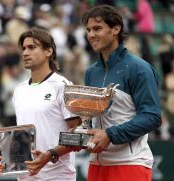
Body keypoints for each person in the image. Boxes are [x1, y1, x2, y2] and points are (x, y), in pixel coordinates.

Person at [24, 5, 162, 181]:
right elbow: (90, 124)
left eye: (97, 28)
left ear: (116, 29)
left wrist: (110, 135)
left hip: (130, 164)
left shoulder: (139, 68)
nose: (91, 35)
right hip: (96, 165)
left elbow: (152, 116)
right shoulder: (91, 72)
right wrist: (51, 153)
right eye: (88, 30)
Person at [0, 27, 81, 181]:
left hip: (58, 177)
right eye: (23, 48)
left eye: (32, 47)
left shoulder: (63, 86)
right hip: (26, 178)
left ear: (48, 52)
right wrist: (3, 160)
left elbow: (77, 134)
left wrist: (49, 155)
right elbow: (21, 136)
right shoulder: (19, 90)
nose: (25, 52)